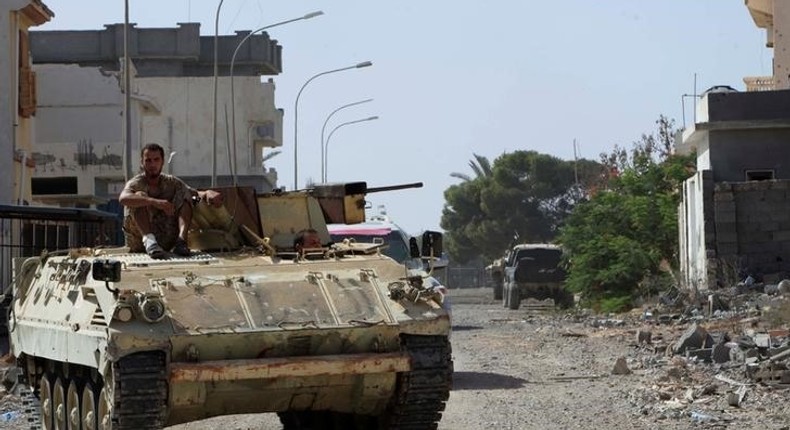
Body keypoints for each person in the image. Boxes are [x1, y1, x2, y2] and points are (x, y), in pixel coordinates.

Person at [119, 143, 223, 259]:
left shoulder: (171, 182)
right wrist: (154, 202)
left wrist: (207, 193)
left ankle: (181, 241)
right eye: (148, 160)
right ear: (142, 162)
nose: (152, 164)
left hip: (166, 239)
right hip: (139, 242)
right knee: (139, 196)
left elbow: (194, 193)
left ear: (162, 161)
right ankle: (149, 240)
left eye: (156, 160)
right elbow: (123, 198)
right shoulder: (137, 182)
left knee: (184, 195)